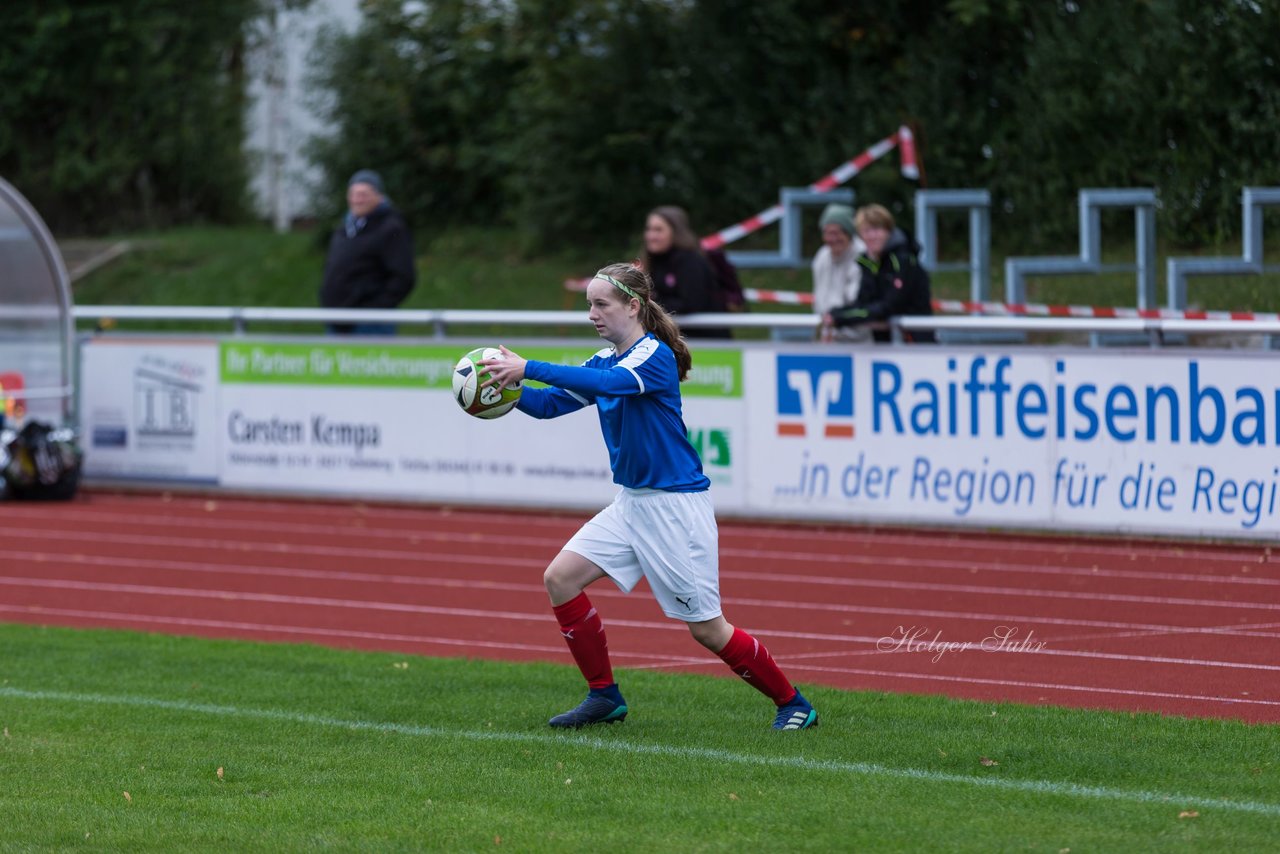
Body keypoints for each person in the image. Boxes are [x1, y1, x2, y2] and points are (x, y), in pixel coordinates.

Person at [479, 262, 819, 731]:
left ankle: (793, 702)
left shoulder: (651, 356)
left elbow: (609, 385)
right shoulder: (602, 362)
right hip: (633, 502)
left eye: (601, 304)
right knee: (560, 579)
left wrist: (529, 366)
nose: (592, 314)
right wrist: (502, 392)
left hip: (675, 508)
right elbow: (550, 405)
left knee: (707, 629)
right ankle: (604, 697)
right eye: (589, 305)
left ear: (633, 305)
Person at [319, 169, 416, 335]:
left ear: (378, 196)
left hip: (370, 323)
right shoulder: (346, 228)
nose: (357, 199)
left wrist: (375, 309)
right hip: (337, 319)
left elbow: (403, 276)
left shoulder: (390, 227)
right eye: (354, 194)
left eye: (364, 194)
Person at [826, 204, 935, 343]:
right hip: (883, 345)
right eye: (866, 231)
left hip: (915, 342)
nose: (872, 236)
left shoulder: (903, 260)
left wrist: (842, 317)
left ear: (888, 231)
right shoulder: (869, 263)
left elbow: (889, 306)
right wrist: (836, 314)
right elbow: (864, 303)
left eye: (877, 230)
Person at [639, 206, 732, 339]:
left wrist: (650, 303)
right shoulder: (655, 261)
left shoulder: (690, 261)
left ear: (676, 232)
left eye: (658, 230)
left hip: (706, 342)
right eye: (648, 229)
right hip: (678, 341)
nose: (651, 235)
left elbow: (691, 303)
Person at [810, 203, 871, 344]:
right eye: (827, 233)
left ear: (849, 232)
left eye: (836, 233)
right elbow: (819, 299)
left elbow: (859, 303)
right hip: (827, 337)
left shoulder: (864, 258)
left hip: (859, 342)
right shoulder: (822, 257)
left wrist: (836, 320)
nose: (832, 239)